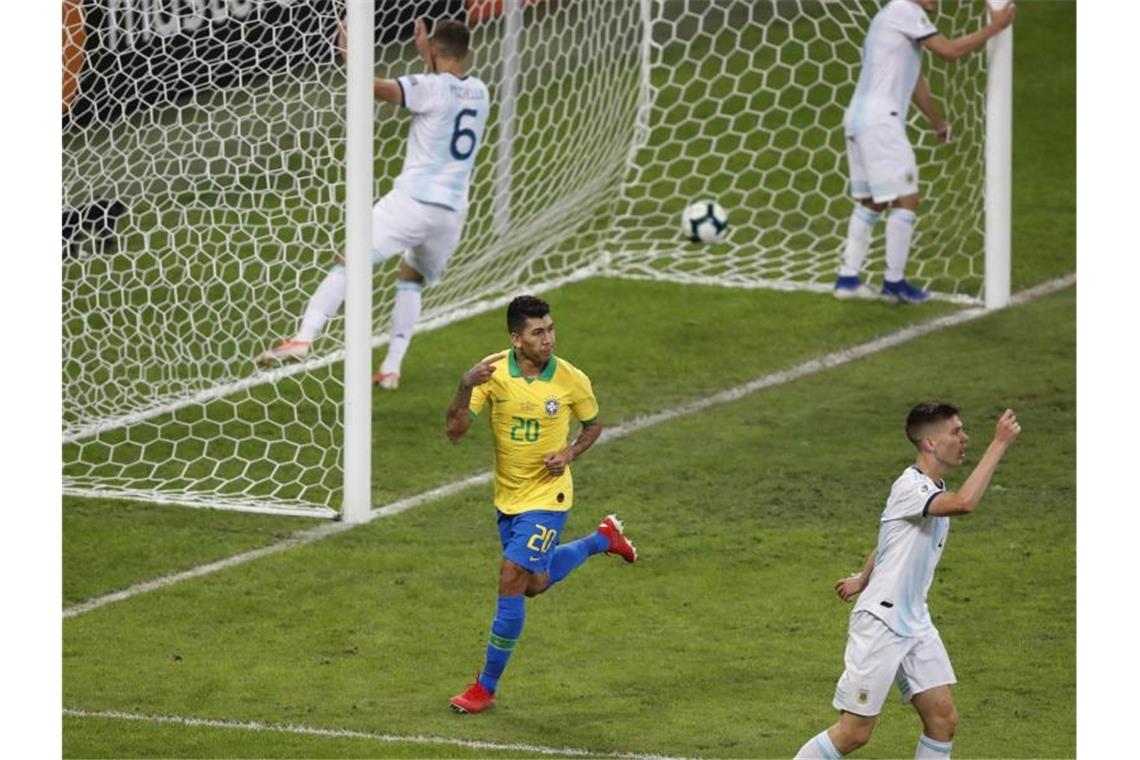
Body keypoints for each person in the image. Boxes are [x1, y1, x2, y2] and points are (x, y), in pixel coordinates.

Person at [257, 18, 489, 390]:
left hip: (412, 203)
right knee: (411, 276)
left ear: (432, 49)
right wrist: (427, 52)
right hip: (452, 214)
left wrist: (348, 51)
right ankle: (392, 368)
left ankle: (303, 337)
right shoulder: (479, 91)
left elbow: (371, 88)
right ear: (467, 52)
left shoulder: (429, 88)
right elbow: (441, 86)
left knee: (349, 259)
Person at [443, 295, 638, 714]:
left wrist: (569, 453)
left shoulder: (570, 379)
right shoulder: (491, 373)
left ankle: (484, 688)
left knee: (511, 576)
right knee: (534, 584)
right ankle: (602, 539)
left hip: (550, 496)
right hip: (508, 498)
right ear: (516, 338)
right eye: (538, 332)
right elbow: (455, 431)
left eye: (550, 329)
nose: (548, 339)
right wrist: (465, 385)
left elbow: (594, 424)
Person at [794, 403, 1022, 759]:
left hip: (915, 622)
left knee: (943, 719)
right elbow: (964, 503)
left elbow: (890, 537)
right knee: (854, 733)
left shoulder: (931, 487)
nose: (964, 438)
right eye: (955, 431)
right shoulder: (911, 486)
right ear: (930, 443)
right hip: (882, 624)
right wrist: (1000, 444)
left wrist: (863, 578)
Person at [833, 0, 1016, 303]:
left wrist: (936, 120)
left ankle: (848, 279)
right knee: (907, 198)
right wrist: (995, 27)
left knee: (872, 202)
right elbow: (949, 52)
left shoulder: (886, 19)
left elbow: (914, 80)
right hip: (881, 122)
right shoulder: (906, 11)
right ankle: (894, 283)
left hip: (858, 119)